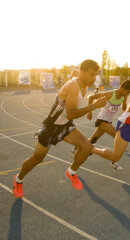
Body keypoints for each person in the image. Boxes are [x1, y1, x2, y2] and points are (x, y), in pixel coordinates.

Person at [12, 60, 107, 198]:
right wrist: (94, 106)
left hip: (65, 125)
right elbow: (71, 113)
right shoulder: (73, 86)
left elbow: (69, 114)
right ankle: (18, 179)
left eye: (96, 75)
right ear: (82, 73)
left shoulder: (83, 86)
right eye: (92, 75)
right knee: (37, 158)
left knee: (87, 147)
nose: (94, 78)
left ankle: (71, 172)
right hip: (51, 127)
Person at [82, 80, 130, 170]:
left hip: (108, 121)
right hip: (102, 120)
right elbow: (91, 97)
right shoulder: (110, 94)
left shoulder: (124, 97)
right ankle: (114, 161)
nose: (128, 94)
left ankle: (79, 145)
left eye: (129, 93)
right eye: (127, 92)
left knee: (93, 139)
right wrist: (89, 112)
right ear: (122, 88)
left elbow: (124, 108)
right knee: (118, 137)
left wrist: (129, 102)